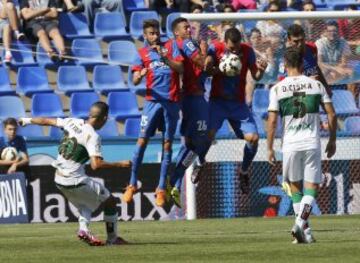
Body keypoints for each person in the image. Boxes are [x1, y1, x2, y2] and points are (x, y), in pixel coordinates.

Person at [19, 102, 132, 246]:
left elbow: (46, 121)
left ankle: (84, 230)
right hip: (75, 179)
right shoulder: (93, 136)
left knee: (84, 205)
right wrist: (120, 164)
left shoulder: (72, 121)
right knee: (109, 201)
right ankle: (113, 239)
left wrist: (27, 120)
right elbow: (95, 165)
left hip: (59, 179)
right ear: (104, 118)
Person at [267, 46, 336, 243]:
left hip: (290, 145)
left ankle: (303, 232)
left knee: (295, 189)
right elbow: (331, 114)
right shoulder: (316, 85)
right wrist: (332, 140)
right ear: (301, 64)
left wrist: (269, 147)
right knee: (311, 188)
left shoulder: (277, 89)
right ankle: (301, 228)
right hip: (311, 142)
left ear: (285, 65)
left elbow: (272, 121)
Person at [122, 19, 183, 207]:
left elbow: (180, 68)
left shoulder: (171, 48)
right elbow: (133, 79)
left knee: (167, 146)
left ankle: (161, 189)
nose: (155, 36)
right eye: (151, 33)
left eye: (157, 32)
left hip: (171, 103)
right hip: (152, 103)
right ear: (145, 36)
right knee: (142, 142)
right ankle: (132, 183)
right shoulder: (141, 54)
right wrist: (138, 75)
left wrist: (165, 59)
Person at [202, 27, 267, 193]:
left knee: (253, 138)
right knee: (208, 135)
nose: (235, 50)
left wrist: (262, 69)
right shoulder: (215, 48)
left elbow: (256, 76)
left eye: (237, 47)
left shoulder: (247, 50)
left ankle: (244, 171)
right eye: (232, 48)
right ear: (225, 43)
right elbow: (206, 69)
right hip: (217, 102)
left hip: (238, 104)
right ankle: (201, 164)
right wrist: (217, 69)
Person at [167, 17, 210, 207]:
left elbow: (201, 69)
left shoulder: (185, 44)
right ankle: (182, 175)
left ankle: (175, 182)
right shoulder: (185, 43)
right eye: (185, 27)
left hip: (195, 97)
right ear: (177, 32)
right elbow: (202, 62)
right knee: (200, 140)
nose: (189, 29)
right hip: (193, 98)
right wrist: (206, 53)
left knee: (193, 142)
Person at [286, 24, 331, 96]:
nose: (300, 44)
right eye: (296, 41)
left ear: (305, 36)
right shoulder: (287, 57)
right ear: (289, 40)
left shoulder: (312, 48)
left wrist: (326, 86)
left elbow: (316, 68)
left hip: (314, 91)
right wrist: (308, 82)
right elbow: (285, 87)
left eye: (302, 40)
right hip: (296, 96)